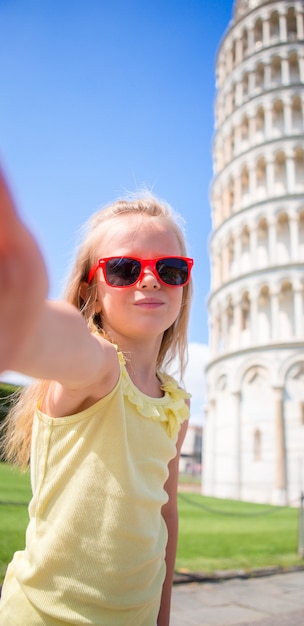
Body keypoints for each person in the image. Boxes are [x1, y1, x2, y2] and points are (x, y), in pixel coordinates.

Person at [0, 169, 194, 626]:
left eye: (169, 269)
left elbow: (166, 517)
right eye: (125, 269)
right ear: (91, 289)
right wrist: (19, 317)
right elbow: (58, 340)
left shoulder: (177, 404)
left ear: (184, 286)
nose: (150, 281)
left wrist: (161, 617)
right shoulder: (99, 367)